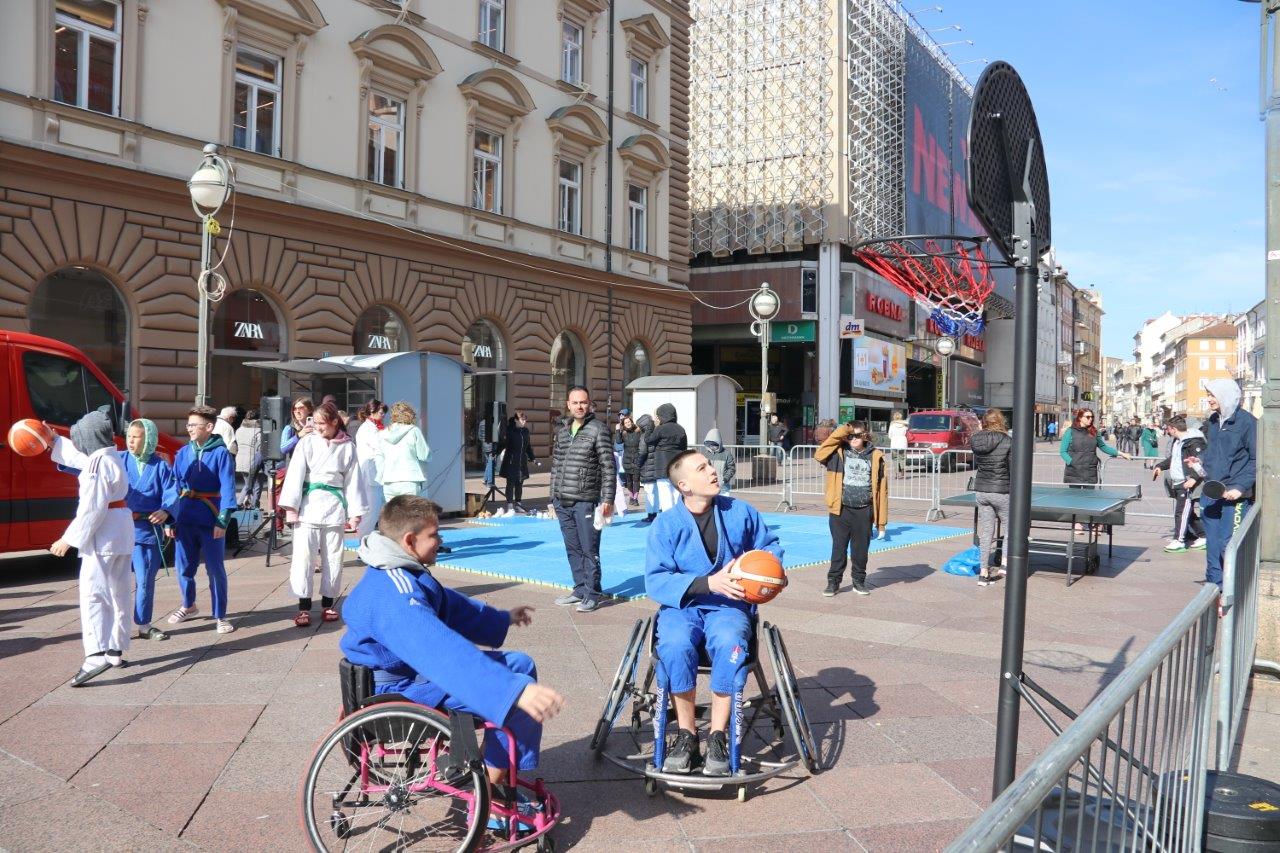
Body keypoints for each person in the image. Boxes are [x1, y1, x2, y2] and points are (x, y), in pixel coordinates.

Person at [340, 496, 564, 818]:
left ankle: (495, 764)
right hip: (402, 692)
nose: (440, 541)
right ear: (409, 540)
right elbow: (439, 650)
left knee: (521, 665)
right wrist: (509, 690)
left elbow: (449, 604)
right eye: (434, 535)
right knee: (517, 697)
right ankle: (487, 799)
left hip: (406, 676)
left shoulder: (394, 571)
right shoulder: (397, 593)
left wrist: (501, 619)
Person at [644, 448, 784, 775]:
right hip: (684, 606)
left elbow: (770, 547)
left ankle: (719, 735)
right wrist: (709, 583)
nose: (712, 470)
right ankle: (687, 734)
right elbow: (656, 579)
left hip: (730, 606)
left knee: (729, 641)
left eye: (710, 464)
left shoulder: (740, 512)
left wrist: (773, 572)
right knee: (675, 645)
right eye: (702, 467)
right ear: (684, 485)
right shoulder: (666, 525)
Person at [48, 410, 135, 685]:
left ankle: (95, 655)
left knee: (94, 594)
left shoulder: (98, 464)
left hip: (104, 534)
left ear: (88, 438)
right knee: (119, 592)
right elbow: (82, 459)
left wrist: (68, 539)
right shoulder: (110, 456)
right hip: (119, 529)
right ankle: (114, 650)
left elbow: (91, 509)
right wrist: (55, 441)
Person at [280, 402, 365, 626]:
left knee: (333, 558)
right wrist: (291, 509)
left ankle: (328, 604)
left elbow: (354, 481)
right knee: (303, 558)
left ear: (335, 422)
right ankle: (303, 607)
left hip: (334, 508)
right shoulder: (306, 442)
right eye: (315, 423)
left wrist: (354, 514)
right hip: (308, 508)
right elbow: (295, 475)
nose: (317, 428)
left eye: (322, 424)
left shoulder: (348, 446)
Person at [167, 405, 238, 634]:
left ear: (209, 427)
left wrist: (223, 521)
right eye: (188, 424)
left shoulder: (221, 453)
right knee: (184, 566)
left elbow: (228, 488)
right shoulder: (182, 453)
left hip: (210, 517)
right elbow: (173, 487)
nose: (189, 429)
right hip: (185, 516)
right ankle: (188, 605)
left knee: (215, 569)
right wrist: (170, 518)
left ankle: (220, 615)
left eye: (193, 425)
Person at [549, 385, 615, 612]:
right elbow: (556, 465)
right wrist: (552, 496)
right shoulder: (563, 431)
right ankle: (579, 589)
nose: (579, 406)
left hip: (586, 499)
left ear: (589, 404)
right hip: (562, 499)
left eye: (583, 402)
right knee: (572, 548)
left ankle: (593, 593)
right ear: (568, 405)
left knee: (589, 548)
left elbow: (608, 466)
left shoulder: (598, 429)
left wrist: (608, 498)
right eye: (575, 402)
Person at [815, 420, 889, 597]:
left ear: (865, 435)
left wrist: (881, 523)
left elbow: (882, 491)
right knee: (838, 549)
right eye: (850, 436)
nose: (854, 439)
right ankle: (833, 582)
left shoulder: (876, 456)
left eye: (858, 435)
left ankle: (859, 581)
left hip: (864, 510)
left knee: (860, 551)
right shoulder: (837, 452)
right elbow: (819, 454)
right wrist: (844, 431)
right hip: (841, 509)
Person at [1196, 379, 1257, 589]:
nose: (1209, 399)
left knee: (1228, 543)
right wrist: (1200, 462)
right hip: (1212, 491)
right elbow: (1212, 453)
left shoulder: (1248, 422)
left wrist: (1240, 487)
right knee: (1212, 544)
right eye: (1208, 394)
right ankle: (1215, 587)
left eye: (1212, 395)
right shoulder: (1213, 420)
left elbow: (1256, 459)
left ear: (1225, 396)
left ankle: (1234, 588)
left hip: (1235, 495)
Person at [120, 418, 178, 640]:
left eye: (136, 437)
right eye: (129, 436)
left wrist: (166, 511)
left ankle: (144, 624)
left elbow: (172, 492)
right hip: (119, 529)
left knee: (145, 580)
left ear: (149, 440)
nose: (131, 441)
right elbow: (89, 469)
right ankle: (117, 625)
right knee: (115, 581)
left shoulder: (161, 465)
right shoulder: (117, 459)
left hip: (146, 531)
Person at [1151, 416, 1207, 553]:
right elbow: (1174, 459)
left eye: (1168, 429)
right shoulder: (1178, 442)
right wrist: (1160, 466)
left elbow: (1201, 462)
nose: (1167, 432)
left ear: (1173, 429)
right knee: (1188, 513)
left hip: (1186, 481)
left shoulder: (1193, 443)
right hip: (1177, 481)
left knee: (1181, 513)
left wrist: (1193, 478)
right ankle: (1204, 535)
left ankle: (1179, 540)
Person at [970, 409, 1012, 586]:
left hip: (982, 489)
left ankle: (983, 572)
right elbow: (1012, 467)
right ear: (1000, 421)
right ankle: (1005, 565)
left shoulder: (976, 440)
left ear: (984, 422)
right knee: (1011, 529)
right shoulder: (1007, 440)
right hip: (1002, 489)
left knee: (987, 531)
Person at [1060, 408, 1131, 487]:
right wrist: (1071, 462)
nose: (1090, 419)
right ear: (1080, 418)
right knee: (1074, 497)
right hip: (1074, 471)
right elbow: (1063, 451)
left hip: (1090, 470)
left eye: (1092, 417)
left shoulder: (1095, 432)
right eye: (1088, 417)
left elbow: (1103, 447)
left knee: (1090, 497)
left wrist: (1121, 453)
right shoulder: (1070, 431)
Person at [377, 401, 430, 500]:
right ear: (409, 415)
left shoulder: (382, 434)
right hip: (410, 479)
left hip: (389, 481)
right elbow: (424, 455)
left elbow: (379, 458)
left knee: (392, 514)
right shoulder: (414, 431)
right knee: (410, 513)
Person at [647, 403, 688, 518]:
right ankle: (679, 516)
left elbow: (648, 440)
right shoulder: (680, 429)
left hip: (662, 466)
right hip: (677, 466)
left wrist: (651, 424)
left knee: (665, 496)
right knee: (676, 494)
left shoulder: (660, 429)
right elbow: (684, 447)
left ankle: (669, 518)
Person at [354, 400, 387, 537]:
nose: (383, 414)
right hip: (370, 472)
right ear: (372, 412)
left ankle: (368, 541)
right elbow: (379, 446)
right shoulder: (367, 429)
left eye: (384, 412)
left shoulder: (377, 427)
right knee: (371, 511)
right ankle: (363, 543)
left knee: (377, 509)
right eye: (381, 411)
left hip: (377, 472)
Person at [497, 410, 535, 513]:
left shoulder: (525, 431)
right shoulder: (510, 430)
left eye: (525, 420)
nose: (524, 422)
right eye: (522, 420)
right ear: (516, 420)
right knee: (510, 483)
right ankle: (509, 505)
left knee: (519, 483)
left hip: (521, 462)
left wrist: (532, 458)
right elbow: (503, 444)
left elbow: (528, 447)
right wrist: (495, 453)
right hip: (511, 460)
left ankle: (518, 504)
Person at [636, 414, 660, 521]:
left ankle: (651, 515)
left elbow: (642, 452)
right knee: (657, 493)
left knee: (649, 493)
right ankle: (657, 513)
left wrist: (637, 465)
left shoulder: (644, 436)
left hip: (647, 468)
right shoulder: (657, 432)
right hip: (658, 467)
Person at [233, 408, 261, 492]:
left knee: (248, 485)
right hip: (254, 461)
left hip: (240, 460)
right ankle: (243, 503)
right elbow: (260, 447)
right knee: (255, 486)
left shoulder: (238, 430)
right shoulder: (258, 431)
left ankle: (244, 503)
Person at [702, 428, 736, 496]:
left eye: (714, 444)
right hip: (710, 484)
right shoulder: (706, 454)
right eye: (709, 444)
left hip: (723, 486)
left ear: (719, 443)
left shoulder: (726, 454)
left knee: (724, 504)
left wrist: (725, 479)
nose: (712, 447)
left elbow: (731, 468)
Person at [620, 414, 643, 507]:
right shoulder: (623, 433)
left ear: (632, 422)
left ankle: (635, 498)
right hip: (627, 459)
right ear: (624, 424)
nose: (628, 424)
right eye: (626, 423)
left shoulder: (638, 432)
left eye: (629, 422)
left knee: (636, 480)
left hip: (636, 459)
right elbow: (618, 441)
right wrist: (618, 430)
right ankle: (631, 497)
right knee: (629, 481)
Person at [888, 411, 909, 479]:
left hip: (894, 443)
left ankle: (896, 474)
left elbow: (889, 435)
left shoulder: (892, 425)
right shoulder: (904, 425)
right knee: (902, 458)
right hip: (903, 443)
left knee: (895, 458)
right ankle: (902, 472)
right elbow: (906, 430)